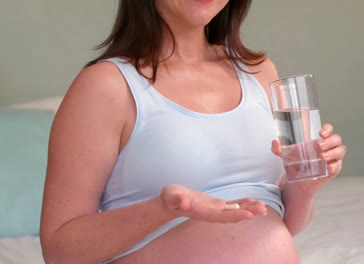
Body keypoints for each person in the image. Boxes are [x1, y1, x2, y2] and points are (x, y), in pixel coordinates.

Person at [39, 0, 347, 263]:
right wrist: (165, 209)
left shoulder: (260, 70)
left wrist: (304, 188)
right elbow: (60, 251)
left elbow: (282, 224)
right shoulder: (106, 86)